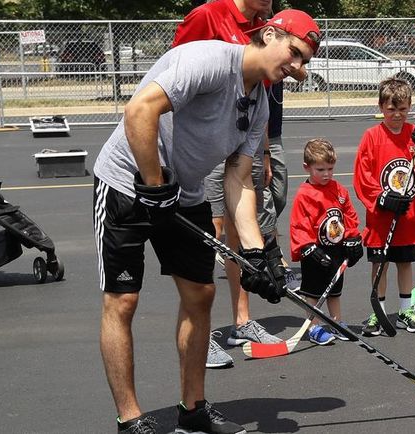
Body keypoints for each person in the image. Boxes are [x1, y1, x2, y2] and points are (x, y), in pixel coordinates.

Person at [93, 10, 319, 434]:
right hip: (126, 182)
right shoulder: (209, 61)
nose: (298, 67)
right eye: (294, 53)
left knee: (200, 294)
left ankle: (192, 409)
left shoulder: (259, 107)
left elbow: (238, 180)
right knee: (122, 301)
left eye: (305, 61)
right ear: (269, 34)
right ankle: (130, 419)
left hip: (184, 191)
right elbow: (140, 110)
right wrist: (154, 185)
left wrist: (255, 251)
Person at [172, 0, 305, 365]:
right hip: (205, 146)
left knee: (240, 231)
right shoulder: (208, 15)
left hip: (243, 144)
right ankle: (203, 331)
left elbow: (256, 98)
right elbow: (174, 80)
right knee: (209, 229)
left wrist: (260, 149)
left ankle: (242, 320)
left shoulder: (266, 26)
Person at [353, 77, 415, 336]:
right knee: (380, 265)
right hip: (382, 218)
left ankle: (405, 309)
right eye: (391, 109)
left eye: (402, 109)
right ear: (381, 107)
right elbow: (362, 174)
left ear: (410, 107)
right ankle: (377, 311)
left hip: (408, 217)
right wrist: (381, 198)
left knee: (405, 263)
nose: (397, 115)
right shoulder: (372, 137)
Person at [289, 138, 363, 345]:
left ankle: (336, 322)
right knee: (313, 292)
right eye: (320, 169)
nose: (326, 174)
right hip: (315, 251)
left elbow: (348, 216)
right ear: (307, 167)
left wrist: (353, 238)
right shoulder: (304, 195)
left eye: (330, 168)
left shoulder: (339, 190)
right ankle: (313, 327)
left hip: (336, 249)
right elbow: (299, 225)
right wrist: (308, 248)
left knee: (335, 289)